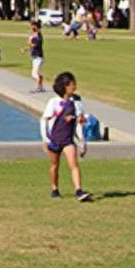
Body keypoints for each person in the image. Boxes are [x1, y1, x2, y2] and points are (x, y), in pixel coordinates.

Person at [40, 71, 91, 202]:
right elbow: (44, 120)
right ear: (65, 86)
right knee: (54, 166)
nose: (74, 86)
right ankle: (55, 189)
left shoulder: (77, 104)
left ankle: (79, 191)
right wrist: (45, 139)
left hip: (68, 140)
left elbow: (79, 125)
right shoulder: (53, 102)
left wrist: (82, 142)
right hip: (54, 139)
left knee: (74, 164)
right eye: (72, 84)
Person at [26, 20, 45, 92]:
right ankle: (41, 87)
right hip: (35, 56)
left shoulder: (39, 35)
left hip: (38, 57)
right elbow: (32, 46)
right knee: (37, 73)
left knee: (34, 73)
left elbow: (36, 45)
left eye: (32, 26)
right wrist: (26, 49)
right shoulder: (35, 35)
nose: (31, 27)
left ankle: (38, 87)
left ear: (36, 26)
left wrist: (30, 42)